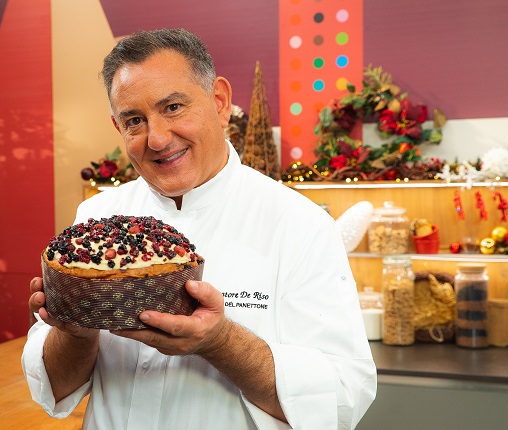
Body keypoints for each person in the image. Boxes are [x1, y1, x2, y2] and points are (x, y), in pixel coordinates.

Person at [22, 28, 376, 429]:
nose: (157, 139)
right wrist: (75, 333)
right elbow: (52, 388)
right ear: (119, 128)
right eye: (135, 120)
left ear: (219, 102)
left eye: (173, 107)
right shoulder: (95, 217)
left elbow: (342, 399)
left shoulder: (300, 224)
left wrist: (221, 342)